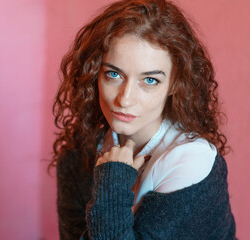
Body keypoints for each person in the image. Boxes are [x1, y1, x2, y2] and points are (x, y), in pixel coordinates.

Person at [50, 0, 237, 239]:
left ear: (174, 85)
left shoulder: (191, 163)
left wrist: (113, 180)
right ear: (95, 74)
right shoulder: (79, 154)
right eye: (113, 74)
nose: (125, 99)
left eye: (149, 80)